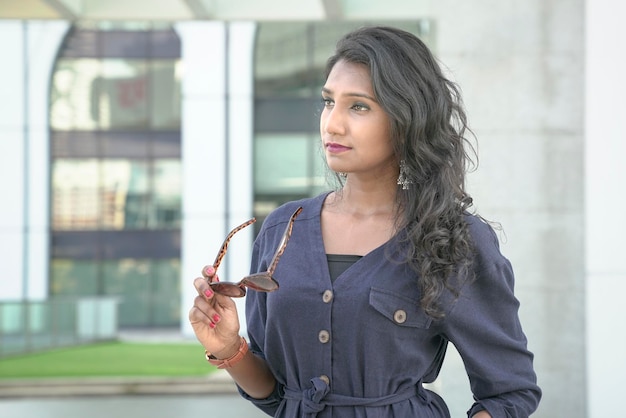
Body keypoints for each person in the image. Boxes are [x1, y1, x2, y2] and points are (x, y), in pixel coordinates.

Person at [189, 25, 541, 418]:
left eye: (358, 106)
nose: (332, 123)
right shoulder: (281, 230)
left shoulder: (453, 239)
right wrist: (227, 348)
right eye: (328, 102)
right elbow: (274, 394)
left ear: (405, 119)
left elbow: (510, 392)